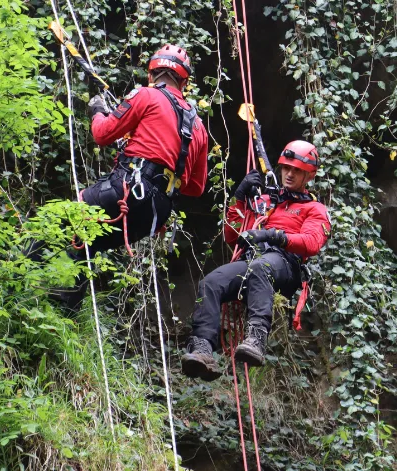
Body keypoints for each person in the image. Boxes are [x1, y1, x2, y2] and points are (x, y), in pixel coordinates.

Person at [32, 44, 209, 307]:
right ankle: (63, 310)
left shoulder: (146, 96)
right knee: (87, 243)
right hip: (156, 211)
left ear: (151, 74)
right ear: (184, 82)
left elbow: (102, 133)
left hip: (130, 188)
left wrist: (97, 111)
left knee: (55, 219)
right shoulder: (198, 127)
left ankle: (16, 280)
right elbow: (195, 187)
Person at [181, 140, 330, 381]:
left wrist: (273, 235)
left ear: (309, 175)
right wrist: (239, 198)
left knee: (262, 267)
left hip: (285, 266)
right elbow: (232, 235)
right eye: (286, 168)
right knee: (211, 282)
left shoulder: (314, 209)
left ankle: (256, 338)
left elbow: (312, 243)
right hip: (255, 261)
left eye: (297, 171)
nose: (289, 174)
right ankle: (202, 349)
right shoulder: (266, 202)